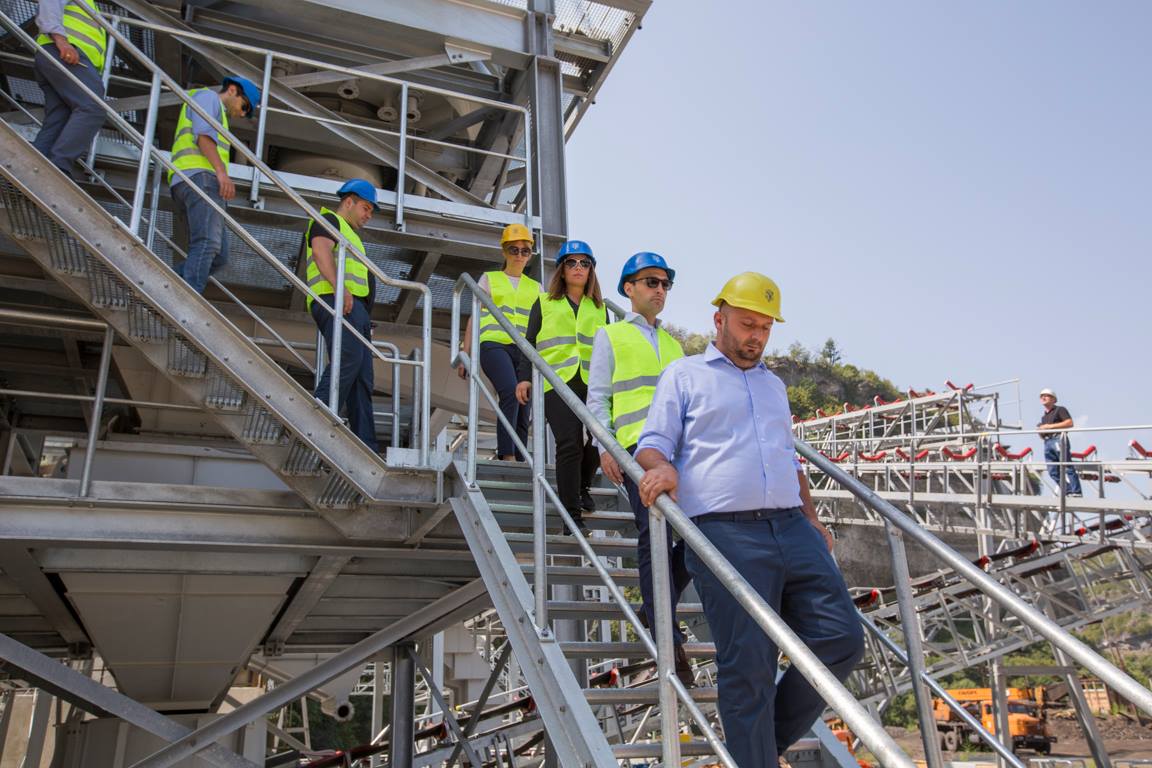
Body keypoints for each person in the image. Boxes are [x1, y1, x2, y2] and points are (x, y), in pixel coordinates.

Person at [635, 272, 864, 767]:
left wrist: (811, 517)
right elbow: (652, 444)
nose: (756, 336)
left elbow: (787, 457)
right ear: (719, 320)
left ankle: (754, 753)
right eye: (747, 324)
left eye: (765, 327)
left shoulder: (773, 386)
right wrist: (663, 468)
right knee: (749, 665)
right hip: (725, 533)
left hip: (792, 527)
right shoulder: (685, 375)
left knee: (841, 638)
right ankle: (753, 755)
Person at [586, 251, 693, 685]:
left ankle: (653, 608)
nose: (660, 289)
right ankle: (668, 638)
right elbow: (598, 398)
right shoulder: (610, 335)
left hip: (679, 453)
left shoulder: (675, 347)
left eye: (665, 283)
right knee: (655, 535)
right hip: (634, 447)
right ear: (628, 288)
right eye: (651, 281)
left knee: (701, 533)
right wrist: (605, 447)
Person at [514, 240, 608, 531]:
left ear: (591, 270)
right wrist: (524, 377)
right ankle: (571, 517)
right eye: (572, 262)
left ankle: (582, 486)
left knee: (600, 439)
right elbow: (529, 342)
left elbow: (608, 349)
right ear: (562, 270)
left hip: (592, 381)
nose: (578, 268)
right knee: (569, 444)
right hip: (556, 381)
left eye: (584, 263)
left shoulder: (600, 308)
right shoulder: (544, 302)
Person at [304, 179, 380, 451]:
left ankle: (366, 446)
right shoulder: (328, 220)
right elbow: (321, 251)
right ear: (349, 202)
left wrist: (365, 319)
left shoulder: (351, 234)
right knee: (349, 359)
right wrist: (339, 289)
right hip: (335, 300)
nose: (369, 215)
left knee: (362, 377)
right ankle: (313, 418)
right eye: (366, 208)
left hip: (353, 309)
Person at [168, 74, 262, 294]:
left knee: (219, 256)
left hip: (196, 180)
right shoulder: (208, 97)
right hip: (200, 177)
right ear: (232, 90)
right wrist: (221, 173)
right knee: (207, 243)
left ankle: (165, 279)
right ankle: (189, 298)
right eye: (245, 106)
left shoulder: (218, 113)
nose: (243, 113)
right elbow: (203, 137)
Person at [459, 224, 540, 461]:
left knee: (524, 405)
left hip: (524, 351)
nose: (519, 255)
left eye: (525, 251)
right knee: (510, 392)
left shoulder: (536, 288)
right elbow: (474, 316)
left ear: (530, 254)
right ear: (504, 251)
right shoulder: (489, 279)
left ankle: (521, 457)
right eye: (514, 250)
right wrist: (465, 352)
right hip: (493, 345)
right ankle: (507, 455)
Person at [32, 0, 107, 179]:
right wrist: (62, 42)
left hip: (61, 56)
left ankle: (33, 167)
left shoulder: (91, 5)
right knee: (93, 107)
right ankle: (59, 166)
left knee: (60, 117)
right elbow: (50, 3)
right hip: (66, 54)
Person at [1038, 388, 1082, 497]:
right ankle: (1068, 491)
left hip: (1058, 439)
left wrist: (1049, 426)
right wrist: (1041, 431)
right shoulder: (1044, 417)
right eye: (1042, 396)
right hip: (1048, 442)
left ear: (1054, 399)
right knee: (1052, 471)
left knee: (1067, 466)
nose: (1043, 397)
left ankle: (1076, 491)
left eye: (1046, 395)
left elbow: (1069, 423)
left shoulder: (1060, 410)